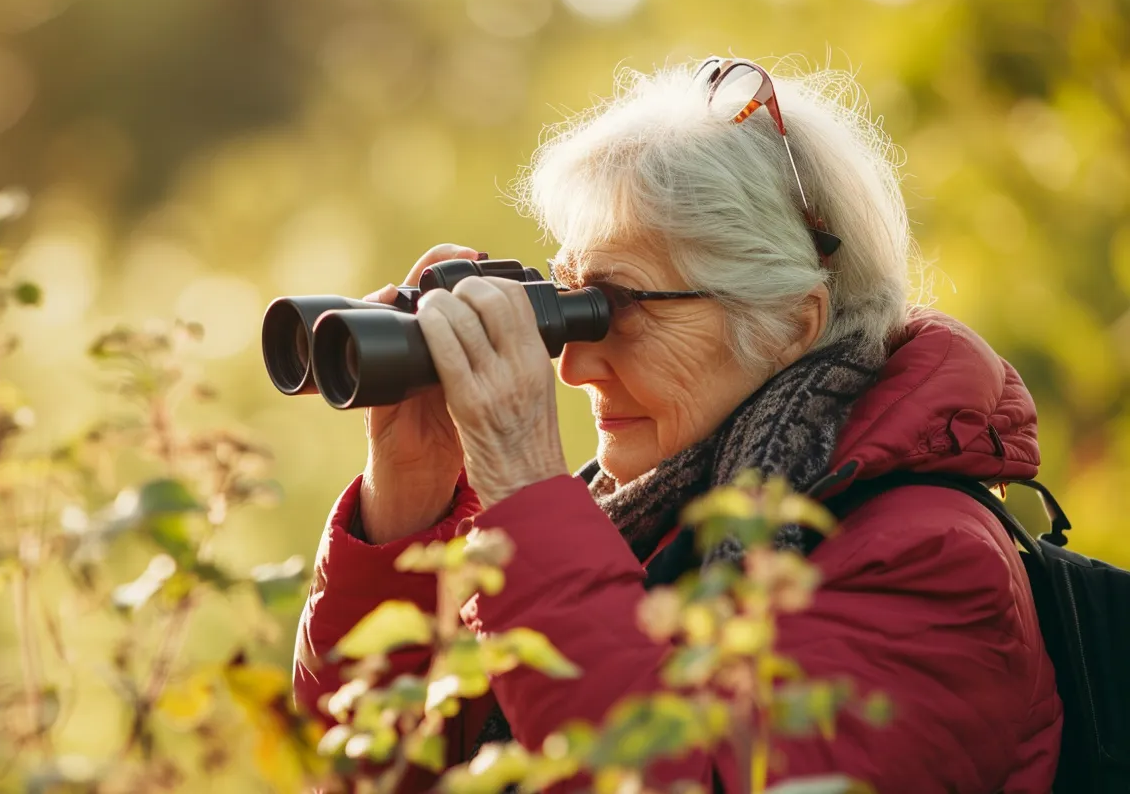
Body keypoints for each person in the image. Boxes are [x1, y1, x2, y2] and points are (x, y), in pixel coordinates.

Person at [291, 56, 1061, 792]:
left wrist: (527, 495)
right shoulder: (640, 515)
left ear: (793, 321)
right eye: (566, 303)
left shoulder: (931, 561)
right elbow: (365, 771)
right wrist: (412, 497)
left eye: (618, 305)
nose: (572, 367)